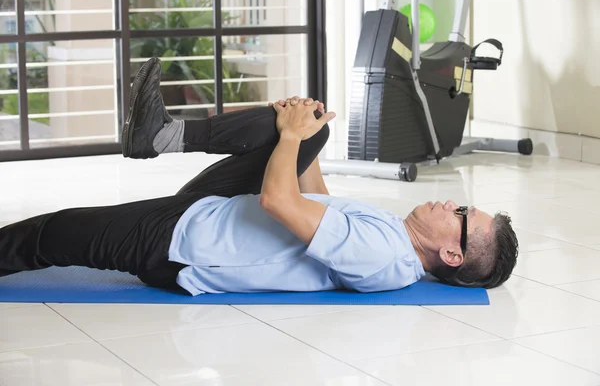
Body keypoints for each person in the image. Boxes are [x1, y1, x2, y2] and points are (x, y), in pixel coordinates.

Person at [0, 57, 518, 296]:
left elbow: (278, 202)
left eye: (463, 215)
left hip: (180, 243)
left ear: (452, 254)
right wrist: (301, 134)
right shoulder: (393, 240)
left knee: (52, 234)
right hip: (212, 212)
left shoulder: (383, 256)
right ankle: (164, 137)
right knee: (312, 129)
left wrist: (289, 137)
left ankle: (162, 140)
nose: (454, 203)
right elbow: (315, 200)